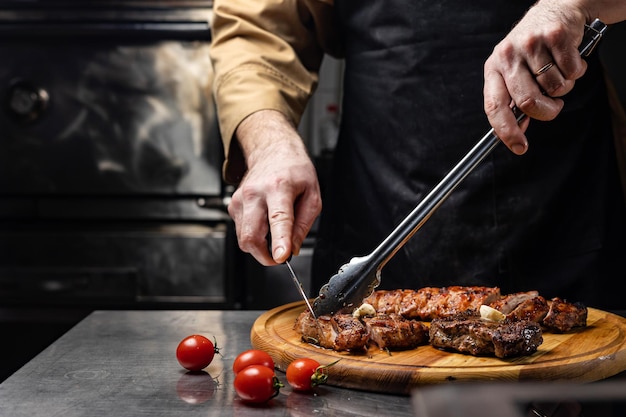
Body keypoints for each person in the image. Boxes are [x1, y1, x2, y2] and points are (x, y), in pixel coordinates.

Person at [210, 0, 626, 311]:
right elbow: (257, 30)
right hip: (380, 204)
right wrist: (269, 143)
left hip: (568, 205)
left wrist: (572, 4)